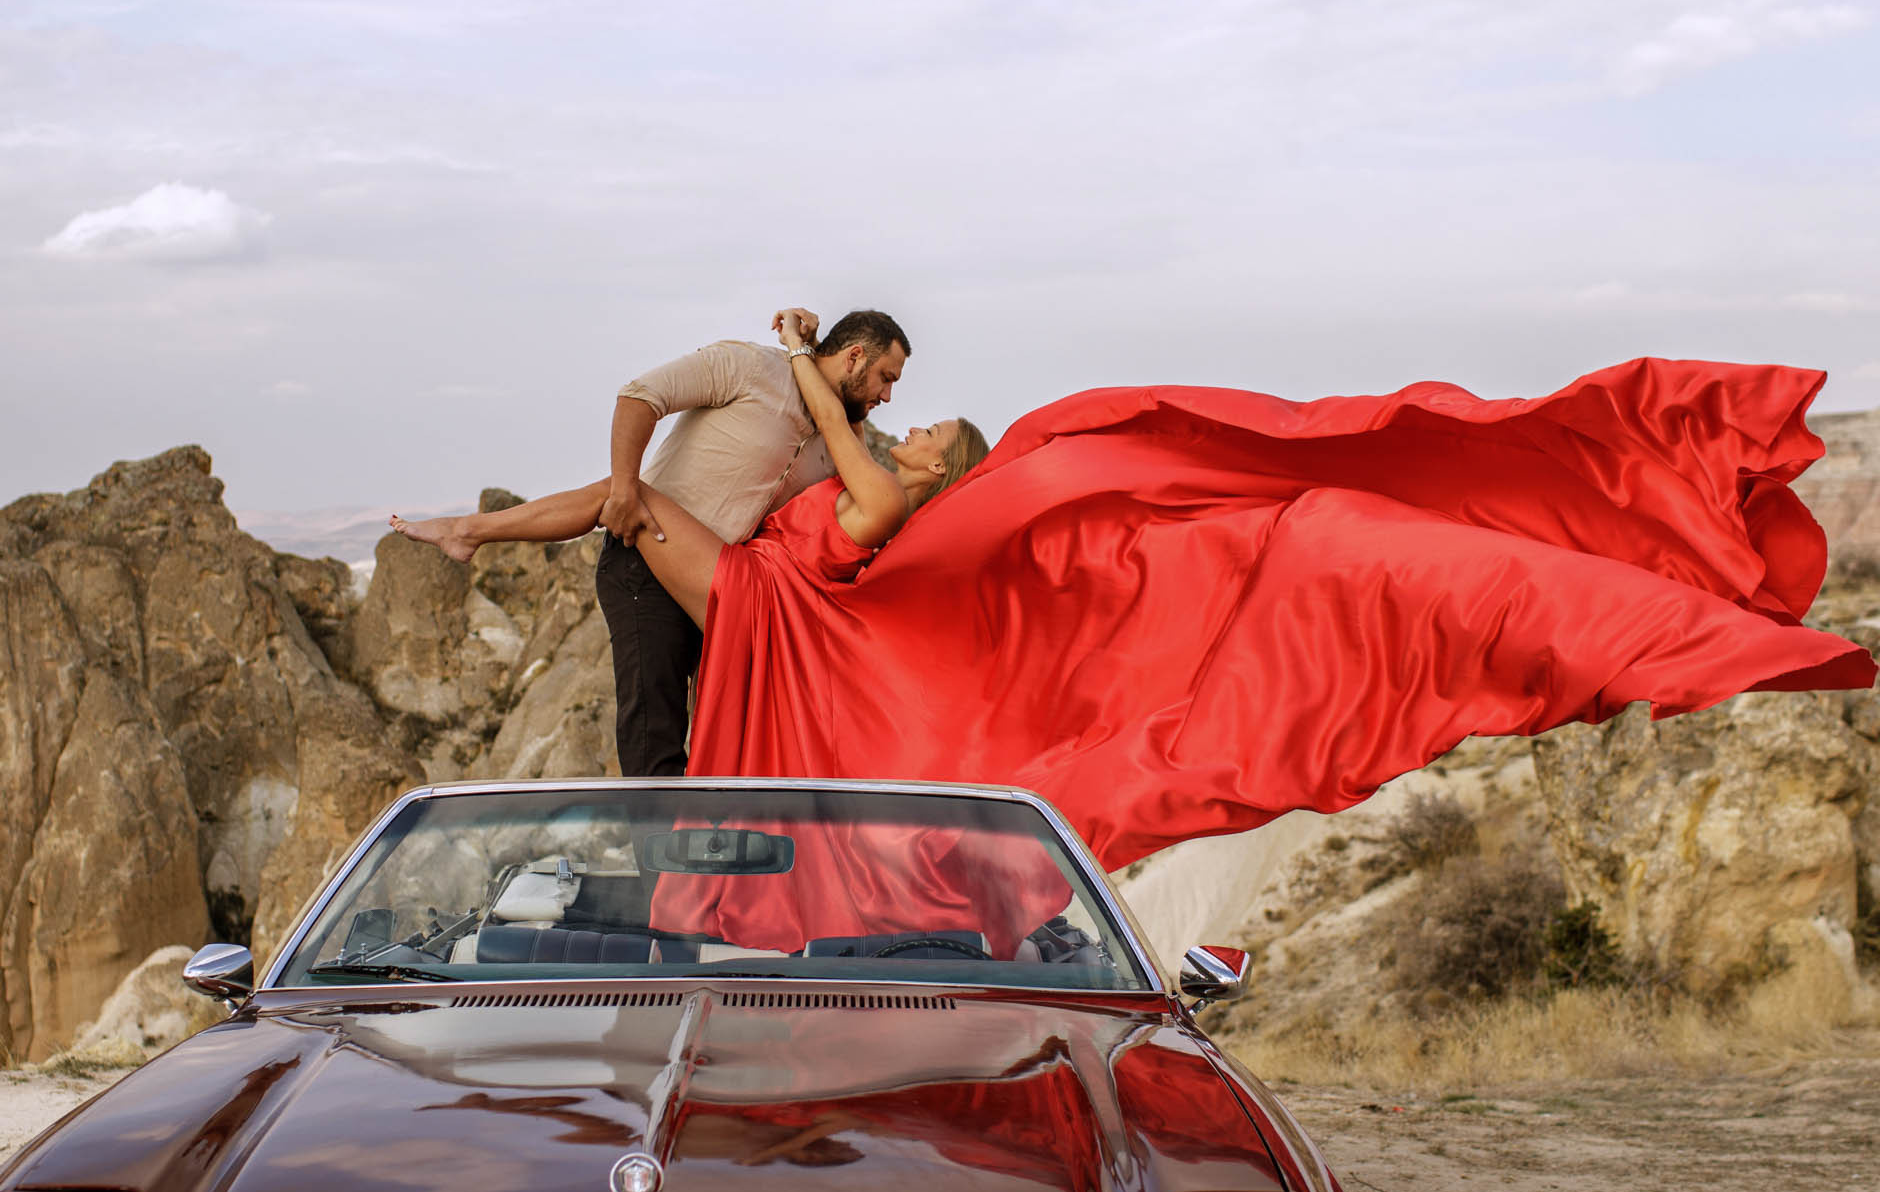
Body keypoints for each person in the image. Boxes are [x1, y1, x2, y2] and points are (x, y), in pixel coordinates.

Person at [670, 359, 1875, 874]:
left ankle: (1677, 597)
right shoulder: (900, 506)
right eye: (907, 416)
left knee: (1366, 561)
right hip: (1115, 607)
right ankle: (1667, 613)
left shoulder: (951, 489)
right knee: (1372, 565)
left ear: (945, 464)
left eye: (924, 429)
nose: (910, 422)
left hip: (1182, 574)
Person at [391, 307, 913, 774]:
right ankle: (659, 878)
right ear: (854, 356)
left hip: (722, 594)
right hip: (646, 564)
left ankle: (470, 532)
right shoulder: (750, 367)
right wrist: (622, 489)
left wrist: (803, 344)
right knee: (654, 733)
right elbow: (640, 397)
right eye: (885, 379)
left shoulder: (836, 434)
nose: (886, 396)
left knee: (719, 743)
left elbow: (857, 490)